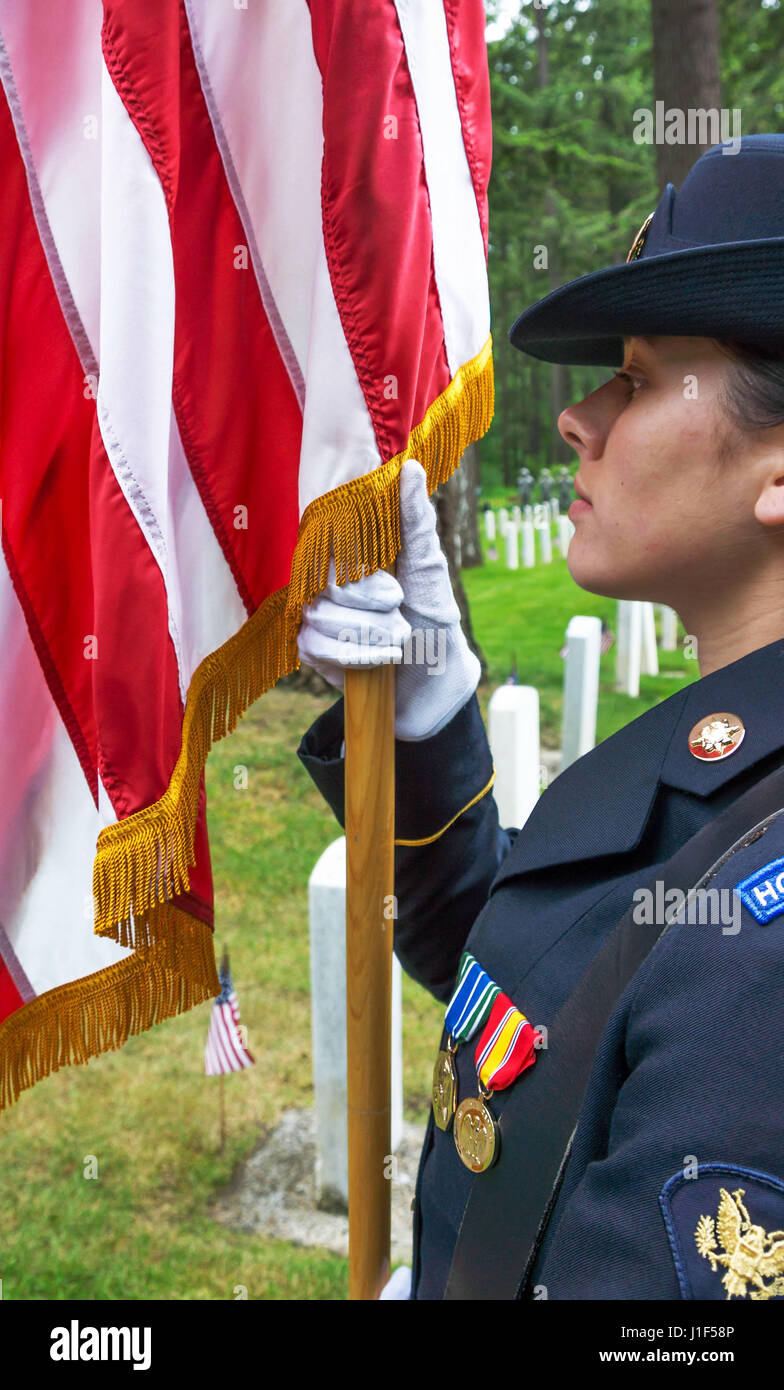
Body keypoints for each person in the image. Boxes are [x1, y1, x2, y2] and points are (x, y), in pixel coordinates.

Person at [296, 135, 784, 1300]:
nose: (577, 419)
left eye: (638, 374)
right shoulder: (713, 769)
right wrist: (428, 710)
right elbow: (549, 966)